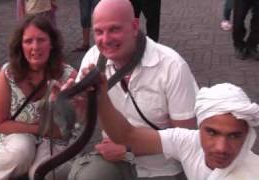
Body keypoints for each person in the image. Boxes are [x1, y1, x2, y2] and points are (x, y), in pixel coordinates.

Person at [68, 0, 198, 180]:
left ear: (135, 26)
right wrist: (68, 106)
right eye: (98, 31)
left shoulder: (172, 66)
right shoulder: (93, 58)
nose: (105, 40)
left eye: (114, 29)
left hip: (162, 170)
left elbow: (188, 139)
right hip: (114, 162)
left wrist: (128, 150)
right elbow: (76, 122)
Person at [92, 81, 259, 180]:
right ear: (199, 128)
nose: (221, 147)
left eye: (235, 136)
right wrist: (100, 96)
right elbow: (128, 136)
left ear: (247, 136)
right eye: (212, 133)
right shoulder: (189, 142)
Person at [0, 14, 77, 180]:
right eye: (28, 41)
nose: (35, 47)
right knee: (20, 151)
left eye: (41, 40)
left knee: (42, 171)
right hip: (17, 135)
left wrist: (61, 106)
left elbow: (71, 127)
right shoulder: (8, 73)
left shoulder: (69, 76)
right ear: (20, 45)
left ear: (52, 43)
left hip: (56, 140)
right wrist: (39, 129)